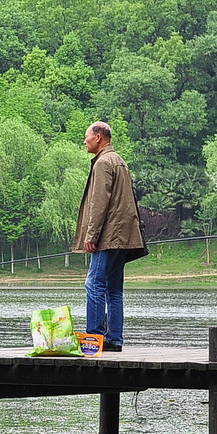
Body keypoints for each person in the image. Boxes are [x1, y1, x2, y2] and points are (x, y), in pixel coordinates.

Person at [73, 121, 146, 352]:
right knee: (113, 289)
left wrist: (91, 235)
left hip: (108, 236)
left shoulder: (103, 162)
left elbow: (99, 203)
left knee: (93, 284)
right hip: (123, 237)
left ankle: (95, 338)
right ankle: (115, 340)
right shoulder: (120, 161)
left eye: (86, 137)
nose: (84, 141)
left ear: (98, 137)